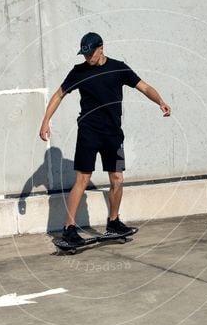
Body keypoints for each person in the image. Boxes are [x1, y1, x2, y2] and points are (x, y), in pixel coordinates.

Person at [39, 32, 171, 244]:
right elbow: (59, 95)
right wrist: (46, 120)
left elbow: (144, 86)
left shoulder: (118, 67)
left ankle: (113, 222)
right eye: (84, 54)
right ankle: (69, 228)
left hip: (113, 134)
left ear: (101, 48)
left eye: (90, 53)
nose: (88, 57)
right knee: (82, 178)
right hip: (88, 132)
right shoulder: (79, 71)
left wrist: (160, 102)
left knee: (117, 178)